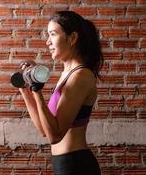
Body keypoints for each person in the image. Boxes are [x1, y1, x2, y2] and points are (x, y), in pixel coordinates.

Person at [18, 11, 103, 175]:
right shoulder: (67, 75)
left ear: (72, 38)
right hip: (64, 163)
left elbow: (55, 136)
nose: (47, 42)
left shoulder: (81, 76)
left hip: (76, 165)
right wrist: (26, 88)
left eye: (53, 34)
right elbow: (45, 130)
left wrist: (37, 89)